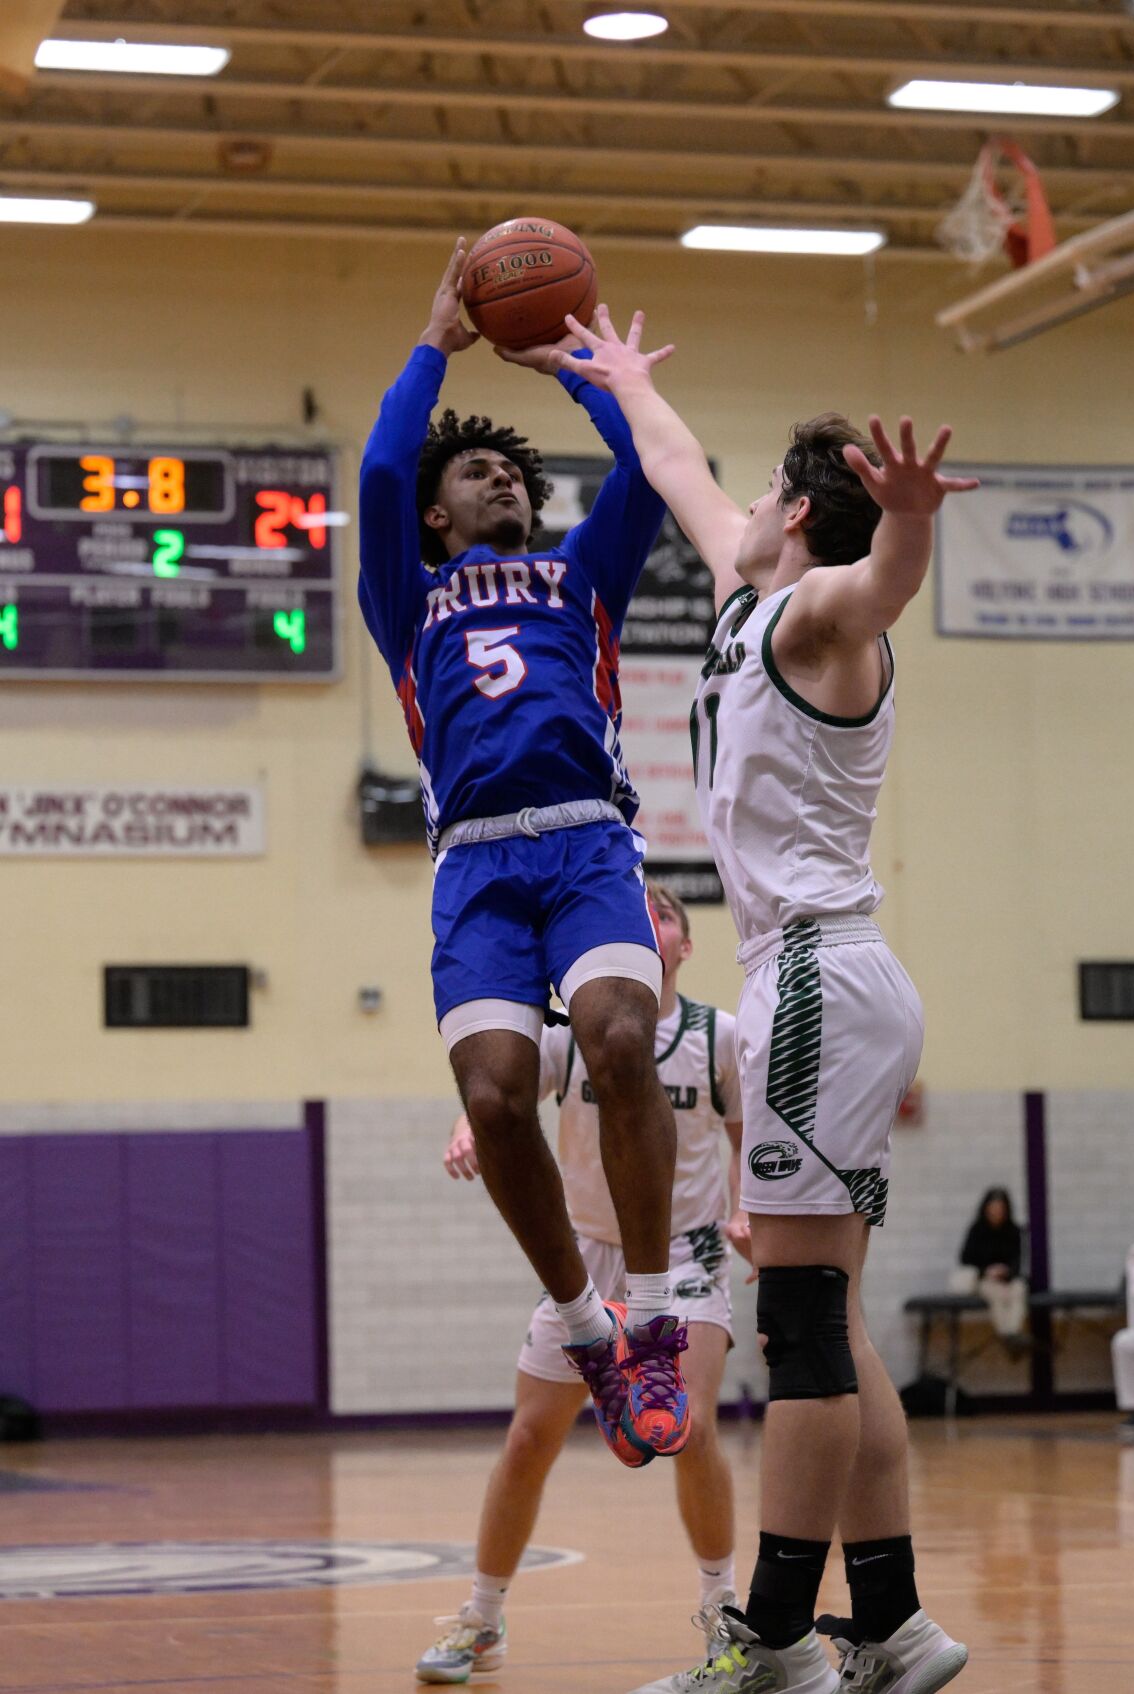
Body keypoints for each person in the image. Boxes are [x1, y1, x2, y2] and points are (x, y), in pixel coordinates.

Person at [519, 304, 977, 1694]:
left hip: (815, 980)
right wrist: (617, 380)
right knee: (827, 1318)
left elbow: (880, 588)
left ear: (794, 515)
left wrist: (904, 523)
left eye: (765, 490)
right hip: (817, 978)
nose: (739, 502)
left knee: (793, 1329)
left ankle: (774, 1643)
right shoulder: (745, 587)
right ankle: (892, 1627)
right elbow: (672, 466)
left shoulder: (822, 616)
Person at [358, 244, 689, 1462]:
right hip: (477, 863)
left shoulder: (581, 576)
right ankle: (583, 1326)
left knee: (614, 1037)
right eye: (475, 470)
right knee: (495, 1096)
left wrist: (582, 369)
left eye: (510, 468)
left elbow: (650, 478)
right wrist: (435, 342)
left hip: (587, 839)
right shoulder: (406, 594)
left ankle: (651, 1320)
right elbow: (385, 463)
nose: (498, 476)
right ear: (439, 514)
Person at [415, 882, 749, 1683]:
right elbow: (504, 1099)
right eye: (636, 911)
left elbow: (747, 1138)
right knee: (530, 1438)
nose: (647, 921)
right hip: (586, 1259)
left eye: (661, 914)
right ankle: (482, 1618)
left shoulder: (719, 1037)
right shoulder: (573, 1040)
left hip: (685, 1254)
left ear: (683, 943)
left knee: (692, 1428)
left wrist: (750, 1220)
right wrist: (467, 1126)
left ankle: (724, 1614)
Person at [948, 1187, 1027, 1342]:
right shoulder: (977, 1230)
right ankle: (1007, 1334)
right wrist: (987, 1271)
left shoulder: (1014, 1230)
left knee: (1019, 1289)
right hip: (985, 1279)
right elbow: (965, 1258)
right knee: (995, 1292)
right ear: (986, 1209)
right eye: (993, 1208)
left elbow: (1019, 1260)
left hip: (1008, 1280)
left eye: (1000, 1209)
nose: (996, 1212)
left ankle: (1013, 1333)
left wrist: (1006, 1272)